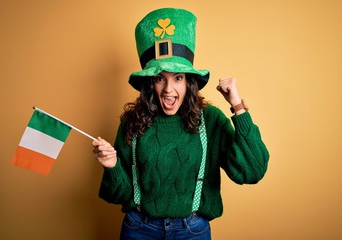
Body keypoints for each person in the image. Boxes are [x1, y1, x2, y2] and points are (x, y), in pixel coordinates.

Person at [92, 8, 269, 240]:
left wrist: (237, 105)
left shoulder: (210, 120)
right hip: (139, 229)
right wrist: (111, 165)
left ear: (189, 82)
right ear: (149, 84)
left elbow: (252, 171)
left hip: (192, 231)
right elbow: (117, 194)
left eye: (178, 78)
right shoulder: (132, 122)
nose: (168, 90)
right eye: (159, 79)